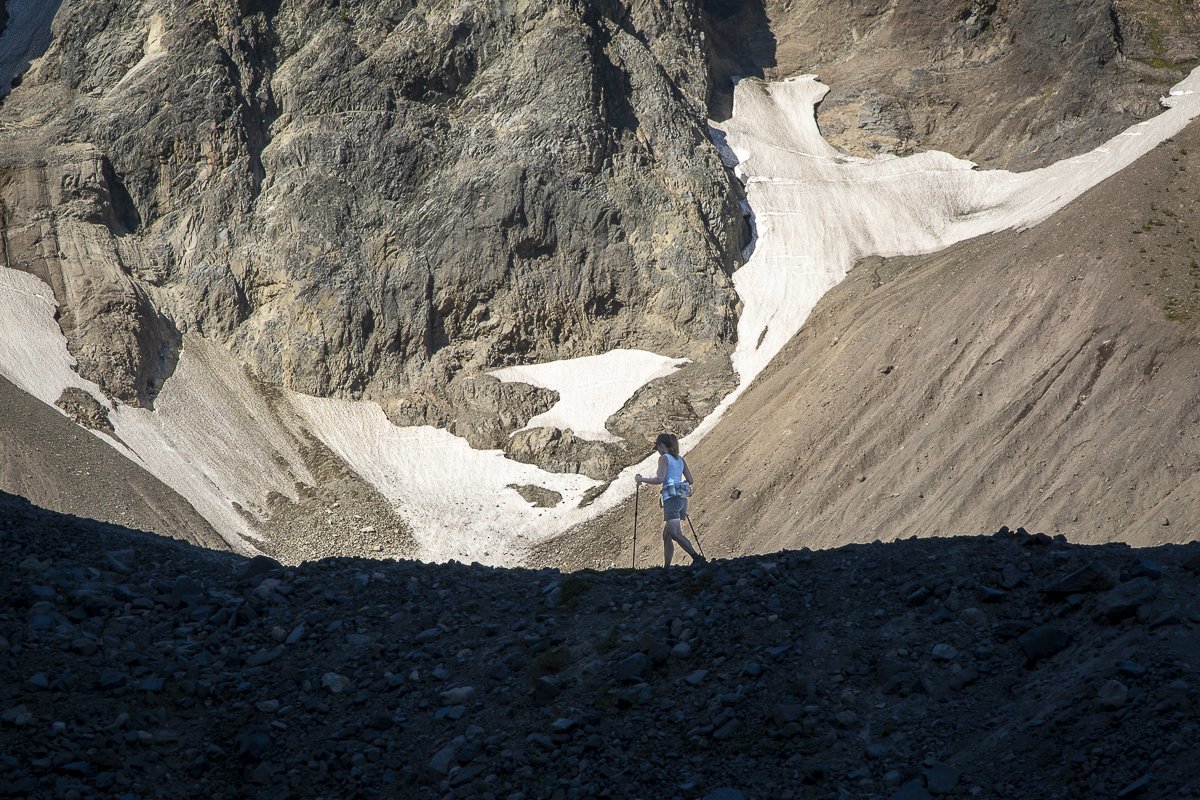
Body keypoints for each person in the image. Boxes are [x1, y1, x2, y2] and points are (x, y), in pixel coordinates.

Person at [635, 433, 706, 568]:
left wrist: (641, 479)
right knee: (667, 535)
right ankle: (666, 568)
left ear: (662, 445)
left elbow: (660, 479)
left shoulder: (664, 458)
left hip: (671, 500)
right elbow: (690, 480)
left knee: (674, 533)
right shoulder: (680, 459)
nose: (657, 451)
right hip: (682, 500)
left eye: (657, 447)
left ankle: (696, 557)